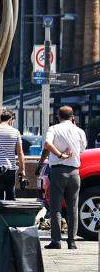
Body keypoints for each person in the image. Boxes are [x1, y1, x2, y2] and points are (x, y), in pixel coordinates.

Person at [39, 105, 87, 250]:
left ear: (57, 117)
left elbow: (47, 144)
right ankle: (72, 242)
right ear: (73, 117)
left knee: (55, 208)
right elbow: (82, 149)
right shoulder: (79, 131)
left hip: (58, 172)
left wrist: (59, 155)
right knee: (73, 208)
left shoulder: (54, 129)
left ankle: (56, 241)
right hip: (74, 173)